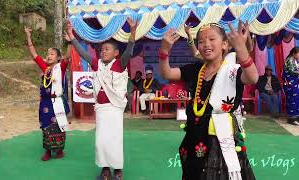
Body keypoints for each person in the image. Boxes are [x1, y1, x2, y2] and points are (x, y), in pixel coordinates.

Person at [159, 22, 258, 180]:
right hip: (194, 137)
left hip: (220, 141)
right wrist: (164, 51)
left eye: (212, 39)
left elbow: (252, 77)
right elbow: (167, 73)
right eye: (201, 41)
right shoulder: (196, 69)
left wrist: (242, 50)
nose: (206, 44)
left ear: (225, 44)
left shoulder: (232, 70)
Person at [67, 18, 137, 180]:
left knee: (115, 140)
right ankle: (105, 169)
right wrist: (71, 36)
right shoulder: (97, 64)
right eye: (101, 50)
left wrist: (132, 32)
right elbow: (83, 53)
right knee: (101, 141)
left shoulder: (120, 64)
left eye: (106, 49)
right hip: (102, 109)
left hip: (114, 109)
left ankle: (118, 170)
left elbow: (129, 51)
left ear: (116, 53)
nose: (103, 52)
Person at [24, 26, 71, 161]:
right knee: (46, 125)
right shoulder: (45, 68)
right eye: (48, 54)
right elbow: (34, 54)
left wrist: (69, 42)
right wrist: (28, 36)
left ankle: (59, 150)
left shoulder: (60, 67)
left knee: (59, 126)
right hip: (45, 103)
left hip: (57, 101)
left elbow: (67, 56)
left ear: (57, 58)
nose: (48, 56)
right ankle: (48, 152)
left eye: (52, 54)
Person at [282, 47, 299, 125]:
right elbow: (292, 71)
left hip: (294, 83)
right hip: (290, 83)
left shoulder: (295, 61)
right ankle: (292, 119)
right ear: (294, 53)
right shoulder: (290, 60)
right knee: (292, 99)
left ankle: (296, 117)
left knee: (295, 99)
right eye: (298, 53)